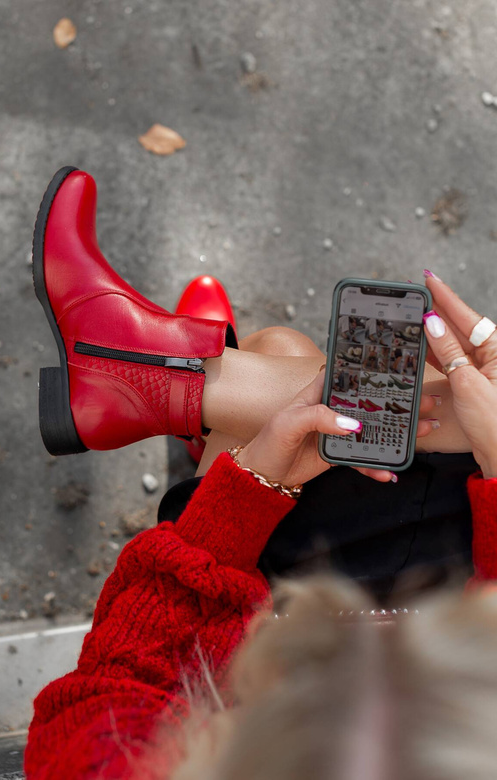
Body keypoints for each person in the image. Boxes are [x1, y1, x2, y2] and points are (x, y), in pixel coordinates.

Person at [25, 168, 497, 778]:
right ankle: (172, 392)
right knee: (280, 358)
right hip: (447, 629)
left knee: (276, 363)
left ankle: (161, 380)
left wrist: (245, 492)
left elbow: (110, 698)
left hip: (379, 621)